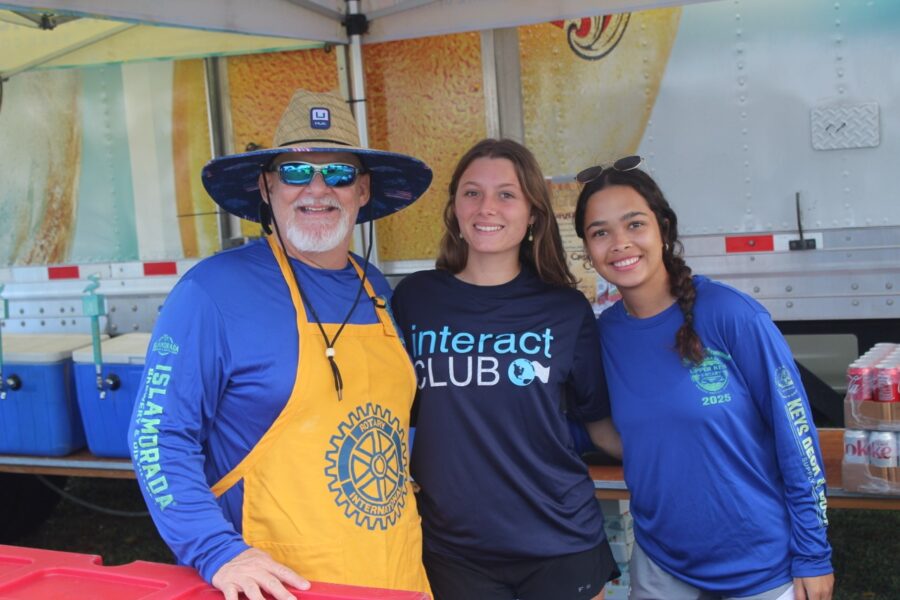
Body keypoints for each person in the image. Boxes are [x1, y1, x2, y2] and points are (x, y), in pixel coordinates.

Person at [129, 89, 434, 600]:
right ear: (266, 187)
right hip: (282, 587)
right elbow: (156, 436)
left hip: (394, 578)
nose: (317, 189)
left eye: (337, 174)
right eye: (296, 173)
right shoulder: (211, 292)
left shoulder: (376, 287)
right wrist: (216, 550)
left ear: (362, 191)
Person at [573, 159, 834, 600]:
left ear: (664, 229)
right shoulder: (604, 335)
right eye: (600, 232)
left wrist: (812, 552)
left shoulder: (731, 315)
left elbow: (797, 436)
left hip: (760, 568)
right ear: (587, 248)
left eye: (634, 224)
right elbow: (610, 431)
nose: (619, 243)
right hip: (661, 565)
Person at [391, 138, 622, 600]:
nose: (486, 207)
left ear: (533, 214)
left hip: (560, 543)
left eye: (506, 194)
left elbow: (600, 427)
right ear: (455, 207)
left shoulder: (565, 309)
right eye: (472, 192)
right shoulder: (415, 300)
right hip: (451, 552)